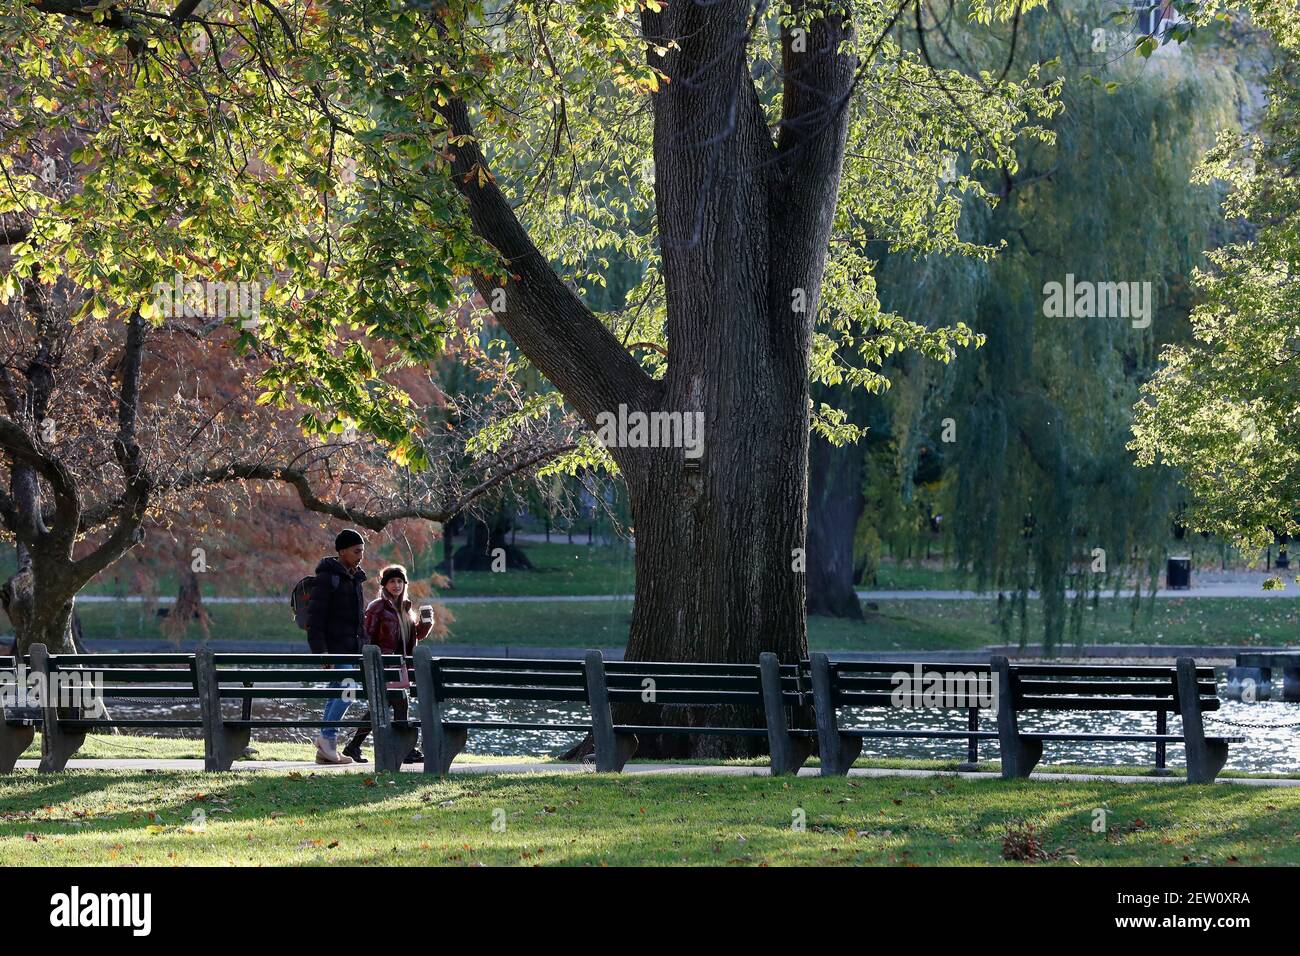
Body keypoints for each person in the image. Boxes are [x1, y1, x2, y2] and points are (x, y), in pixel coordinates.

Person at [343, 564, 434, 764]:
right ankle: (406, 750)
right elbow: (367, 637)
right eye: (392, 581)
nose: (396, 585)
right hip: (384, 665)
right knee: (399, 703)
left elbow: (412, 637)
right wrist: (373, 663)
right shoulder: (377, 607)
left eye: (400, 581)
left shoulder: (406, 609)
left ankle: (354, 746)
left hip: (399, 666)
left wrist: (425, 624)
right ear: (384, 585)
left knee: (383, 704)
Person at [306, 529, 368, 764]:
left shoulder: (356, 577)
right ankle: (327, 738)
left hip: (351, 648)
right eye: (356, 551)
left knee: (338, 692)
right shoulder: (327, 577)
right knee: (347, 693)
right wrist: (321, 652)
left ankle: (326, 747)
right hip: (335, 647)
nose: (360, 555)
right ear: (342, 552)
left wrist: (362, 644)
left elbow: (358, 618)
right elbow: (316, 618)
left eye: (362, 551)